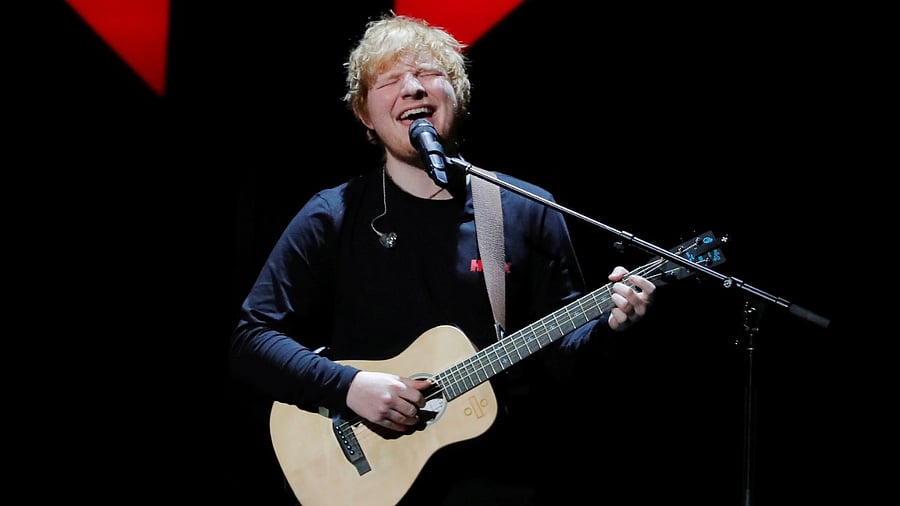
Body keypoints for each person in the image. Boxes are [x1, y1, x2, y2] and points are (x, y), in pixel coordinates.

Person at [230, 13, 656, 506]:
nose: (412, 88)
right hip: (372, 479)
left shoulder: (524, 209)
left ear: (457, 93)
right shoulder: (334, 214)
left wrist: (611, 327)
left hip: (502, 476)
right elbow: (251, 339)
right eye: (389, 79)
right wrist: (349, 387)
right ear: (365, 114)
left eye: (428, 73)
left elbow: (564, 358)